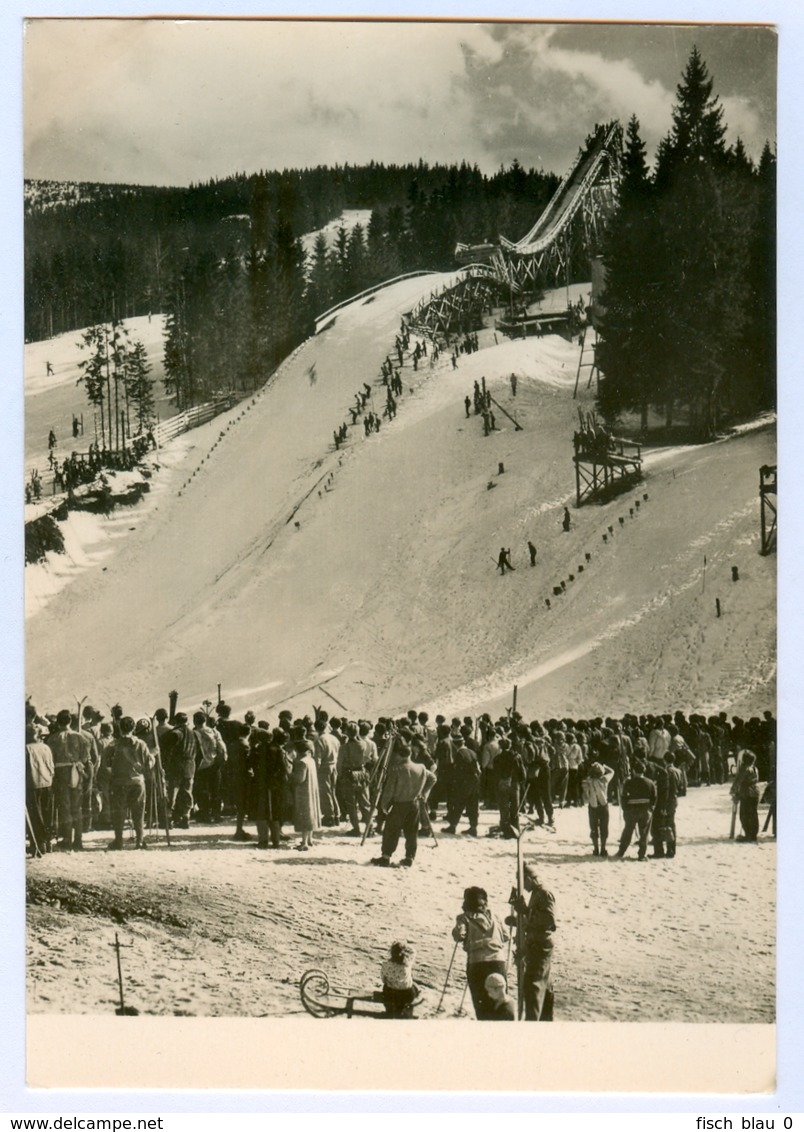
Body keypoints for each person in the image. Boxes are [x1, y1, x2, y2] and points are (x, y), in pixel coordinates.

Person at [371, 739, 435, 867]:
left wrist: (383, 805)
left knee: (391, 831)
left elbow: (389, 791)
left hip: (399, 804)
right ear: (410, 754)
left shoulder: (396, 770)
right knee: (411, 832)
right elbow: (433, 778)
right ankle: (409, 857)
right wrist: (424, 793)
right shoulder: (421, 767)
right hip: (414, 804)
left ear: (399, 755)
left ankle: (386, 856)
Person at [452, 887, 509, 1021]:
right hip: (498, 962)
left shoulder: (464, 918)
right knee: (500, 1002)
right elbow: (506, 936)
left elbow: (459, 935)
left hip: (477, 963)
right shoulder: (495, 916)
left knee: (482, 1005)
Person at [513, 863, 556, 1021]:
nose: (523, 886)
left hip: (540, 944)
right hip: (535, 942)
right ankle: (544, 1020)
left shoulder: (544, 894)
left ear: (530, 879)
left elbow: (549, 920)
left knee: (533, 985)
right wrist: (523, 914)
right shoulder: (536, 893)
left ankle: (533, 1022)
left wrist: (527, 912)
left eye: (523, 882)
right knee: (542, 984)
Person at [47, 708, 92, 851]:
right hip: (76, 773)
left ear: (58, 722)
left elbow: (50, 759)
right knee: (76, 807)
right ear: (70, 721)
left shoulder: (52, 739)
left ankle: (67, 839)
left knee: (65, 807)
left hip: (60, 774)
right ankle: (78, 840)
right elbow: (86, 756)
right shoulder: (80, 737)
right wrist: (78, 762)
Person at [108, 716, 154, 850]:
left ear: (120, 728)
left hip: (119, 782)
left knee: (119, 813)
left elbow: (105, 763)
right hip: (137, 782)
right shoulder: (141, 744)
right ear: (133, 728)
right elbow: (148, 764)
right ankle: (140, 841)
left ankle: (118, 841)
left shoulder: (113, 744)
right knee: (138, 812)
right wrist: (154, 758)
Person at [615, 758, 657, 860]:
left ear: (633, 771)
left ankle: (621, 851)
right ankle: (641, 855)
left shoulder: (629, 783)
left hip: (631, 810)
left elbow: (624, 797)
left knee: (627, 831)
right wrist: (650, 809)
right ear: (644, 771)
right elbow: (654, 798)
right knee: (644, 833)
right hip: (645, 810)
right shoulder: (650, 783)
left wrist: (625, 809)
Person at [291, 739, 321, 850]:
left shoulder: (301, 762)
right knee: (311, 813)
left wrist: (291, 775)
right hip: (311, 789)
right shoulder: (311, 760)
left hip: (303, 792)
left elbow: (300, 779)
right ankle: (309, 839)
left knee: (304, 816)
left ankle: (304, 843)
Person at [581, 761, 614, 856]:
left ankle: (596, 849)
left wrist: (586, 788)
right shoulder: (604, 779)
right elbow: (612, 771)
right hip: (603, 805)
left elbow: (586, 798)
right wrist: (604, 765)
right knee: (604, 827)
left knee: (593, 827)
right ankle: (603, 849)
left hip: (593, 806)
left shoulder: (587, 782)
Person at [379, 940, 420, 1018]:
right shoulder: (407, 964)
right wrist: (404, 946)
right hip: (406, 995)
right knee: (413, 986)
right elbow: (413, 951)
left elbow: (383, 980)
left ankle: (391, 1011)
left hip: (390, 995)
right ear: (403, 953)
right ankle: (401, 1011)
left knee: (386, 987)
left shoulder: (386, 965)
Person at [731, 751, 760, 842]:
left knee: (744, 815)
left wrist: (733, 791)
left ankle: (748, 835)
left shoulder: (745, 769)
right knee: (753, 815)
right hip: (755, 793)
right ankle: (753, 835)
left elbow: (738, 781)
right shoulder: (755, 768)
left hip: (747, 794)